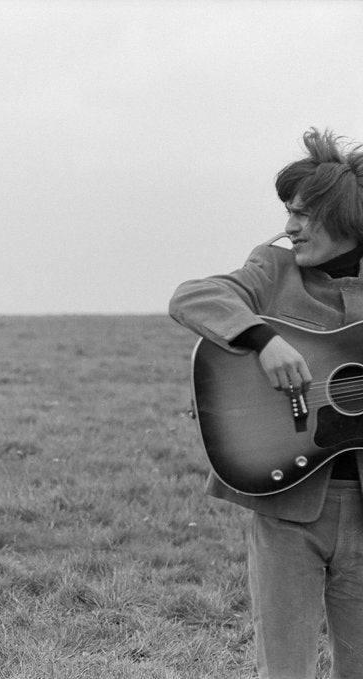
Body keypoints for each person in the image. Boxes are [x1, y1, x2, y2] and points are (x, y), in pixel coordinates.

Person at [169, 128, 363, 679]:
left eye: (303, 214)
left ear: (348, 216)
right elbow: (192, 296)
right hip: (287, 505)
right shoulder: (273, 269)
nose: (289, 227)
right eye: (288, 212)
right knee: (284, 668)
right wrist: (262, 338)